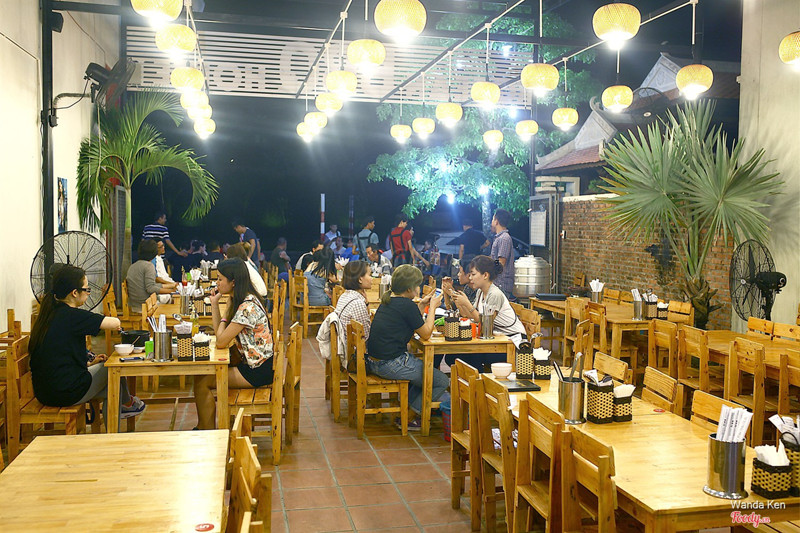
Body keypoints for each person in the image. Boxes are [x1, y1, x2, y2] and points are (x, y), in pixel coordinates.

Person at [29, 265, 145, 426]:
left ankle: (118, 420)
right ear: (74, 293)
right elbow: (114, 322)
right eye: (86, 289)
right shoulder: (73, 316)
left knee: (113, 389)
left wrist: (90, 363)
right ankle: (127, 404)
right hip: (65, 391)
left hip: (45, 391)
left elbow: (59, 356)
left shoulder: (49, 314)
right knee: (112, 368)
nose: (89, 293)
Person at [194, 259, 274, 429]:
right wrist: (215, 304)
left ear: (233, 282)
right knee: (201, 377)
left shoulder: (246, 308)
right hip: (255, 364)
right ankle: (204, 428)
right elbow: (220, 335)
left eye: (220, 279)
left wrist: (226, 312)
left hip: (258, 370)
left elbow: (221, 342)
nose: (217, 283)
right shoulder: (244, 299)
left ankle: (205, 431)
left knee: (202, 382)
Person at [366, 265, 449, 430]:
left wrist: (422, 305)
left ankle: (408, 410)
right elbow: (426, 333)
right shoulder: (406, 305)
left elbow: (410, 322)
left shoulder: (389, 300)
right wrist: (433, 307)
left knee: (425, 373)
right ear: (410, 288)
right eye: (418, 285)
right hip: (390, 364)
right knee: (441, 380)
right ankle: (412, 416)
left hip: (374, 361)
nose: (419, 289)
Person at [449, 255, 527, 370]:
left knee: (470, 357)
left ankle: (478, 381)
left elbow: (485, 324)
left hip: (512, 342)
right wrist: (458, 300)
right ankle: (474, 380)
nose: (470, 278)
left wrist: (466, 303)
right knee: (453, 356)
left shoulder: (494, 294)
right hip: (496, 339)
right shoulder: (480, 292)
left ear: (485, 275)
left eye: (473, 274)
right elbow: (469, 316)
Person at [126, 239, 177, 313]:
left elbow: (150, 285)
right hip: (146, 306)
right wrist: (171, 291)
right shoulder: (149, 266)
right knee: (174, 303)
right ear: (154, 252)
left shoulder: (133, 266)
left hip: (135, 304)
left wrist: (170, 286)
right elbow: (151, 288)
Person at [334, 261, 372, 347]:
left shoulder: (344, 295)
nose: (371, 278)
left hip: (344, 344)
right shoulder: (357, 303)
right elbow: (366, 336)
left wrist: (366, 303)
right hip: (354, 350)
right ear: (360, 279)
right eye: (369, 275)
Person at [490, 208, 516, 301]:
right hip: (498, 282)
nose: (491, 222)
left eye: (493, 219)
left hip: (501, 283)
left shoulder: (504, 238)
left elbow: (501, 262)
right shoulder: (499, 238)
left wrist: (489, 267)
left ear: (496, 221)